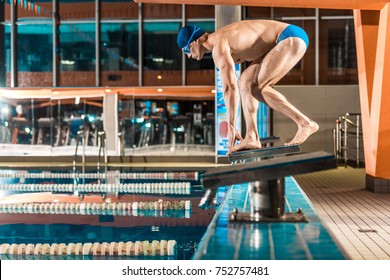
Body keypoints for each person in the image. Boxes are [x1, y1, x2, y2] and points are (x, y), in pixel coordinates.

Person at [177, 20, 319, 154]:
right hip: (278, 43)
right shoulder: (219, 40)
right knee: (244, 82)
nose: (189, 56)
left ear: (194, 42)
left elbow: (229, 89)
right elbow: (235, 86)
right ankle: (251, 136)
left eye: (186, 51)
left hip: (289, 37)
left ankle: (305, 123)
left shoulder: (218, 47)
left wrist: (231, 126)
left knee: (258, 88)